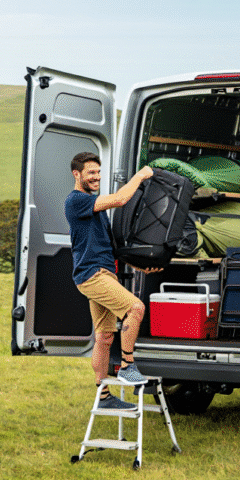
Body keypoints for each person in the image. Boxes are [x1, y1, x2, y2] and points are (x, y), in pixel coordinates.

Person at [66, 152, 159, 411]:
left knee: (105, 336)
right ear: (76, 174)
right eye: (91, 173)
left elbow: (110, 249)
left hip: (103, 272)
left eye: (98, 172)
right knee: (135, 308)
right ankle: (128, 365)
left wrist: (140, 266)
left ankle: (104, 396)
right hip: (93, 275)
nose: (96, 177)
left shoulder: (94, 206)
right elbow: (120, 199)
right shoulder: (76, 201)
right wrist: (140, 175)